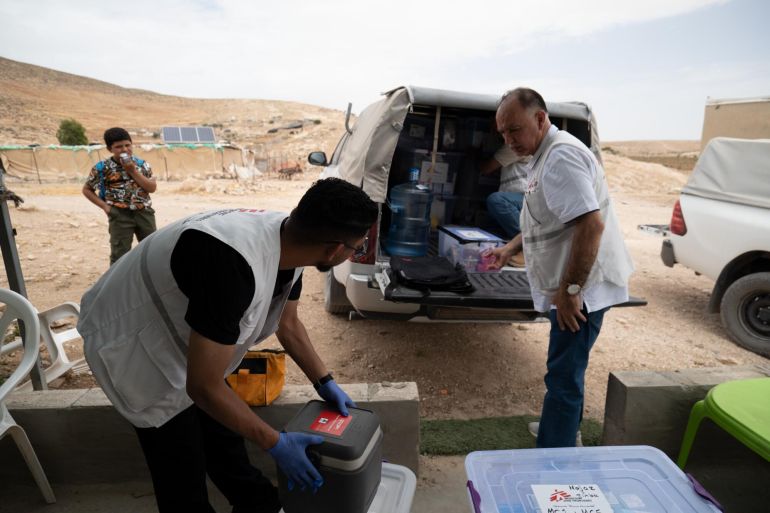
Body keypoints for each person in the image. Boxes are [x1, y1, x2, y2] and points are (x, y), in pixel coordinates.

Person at [77, 178, 379, 513]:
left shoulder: (291, 240)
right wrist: (275, 443)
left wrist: (325, 381)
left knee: (224, 439)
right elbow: (203, 387)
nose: (357, 251)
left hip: (184, 344)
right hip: (134, 344)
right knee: (181, 471)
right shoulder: (231, 265)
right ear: (335, 249)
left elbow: (289, 324)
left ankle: (259, 504)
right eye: (358, 247)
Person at [486, 88, 634, 448]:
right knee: (568, 367)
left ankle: (555, 451)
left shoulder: (560, 158)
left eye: (514, 130)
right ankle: (566, 428)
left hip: (581, 290)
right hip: (575, 287)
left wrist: (570, 292)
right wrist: (509, 249)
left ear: (540, 119)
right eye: (503, 133)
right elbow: (545, 219)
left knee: (563, 374)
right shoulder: (544, 155)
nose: (509, 140)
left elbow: (590, 225)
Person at [82, 127, 157, 265]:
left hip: (144, 213)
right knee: (120, 254)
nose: (124, 150)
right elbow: (87, 189)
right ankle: (118, 284)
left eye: (127, 145)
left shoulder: (141, 165)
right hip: (119, 215)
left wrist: (133, 171)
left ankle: (150, 280)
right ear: (110, 149)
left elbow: (151, 188)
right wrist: (105, 207)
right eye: (118, 147)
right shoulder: (102, 168)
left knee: (152, 249)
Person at [478, 144, 529, 239]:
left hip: (525, 198)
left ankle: (528, 241)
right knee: (487, 229)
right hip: (519, 199)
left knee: (497, 200)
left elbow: (487, 168)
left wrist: (474, 157)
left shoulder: (516, 145)